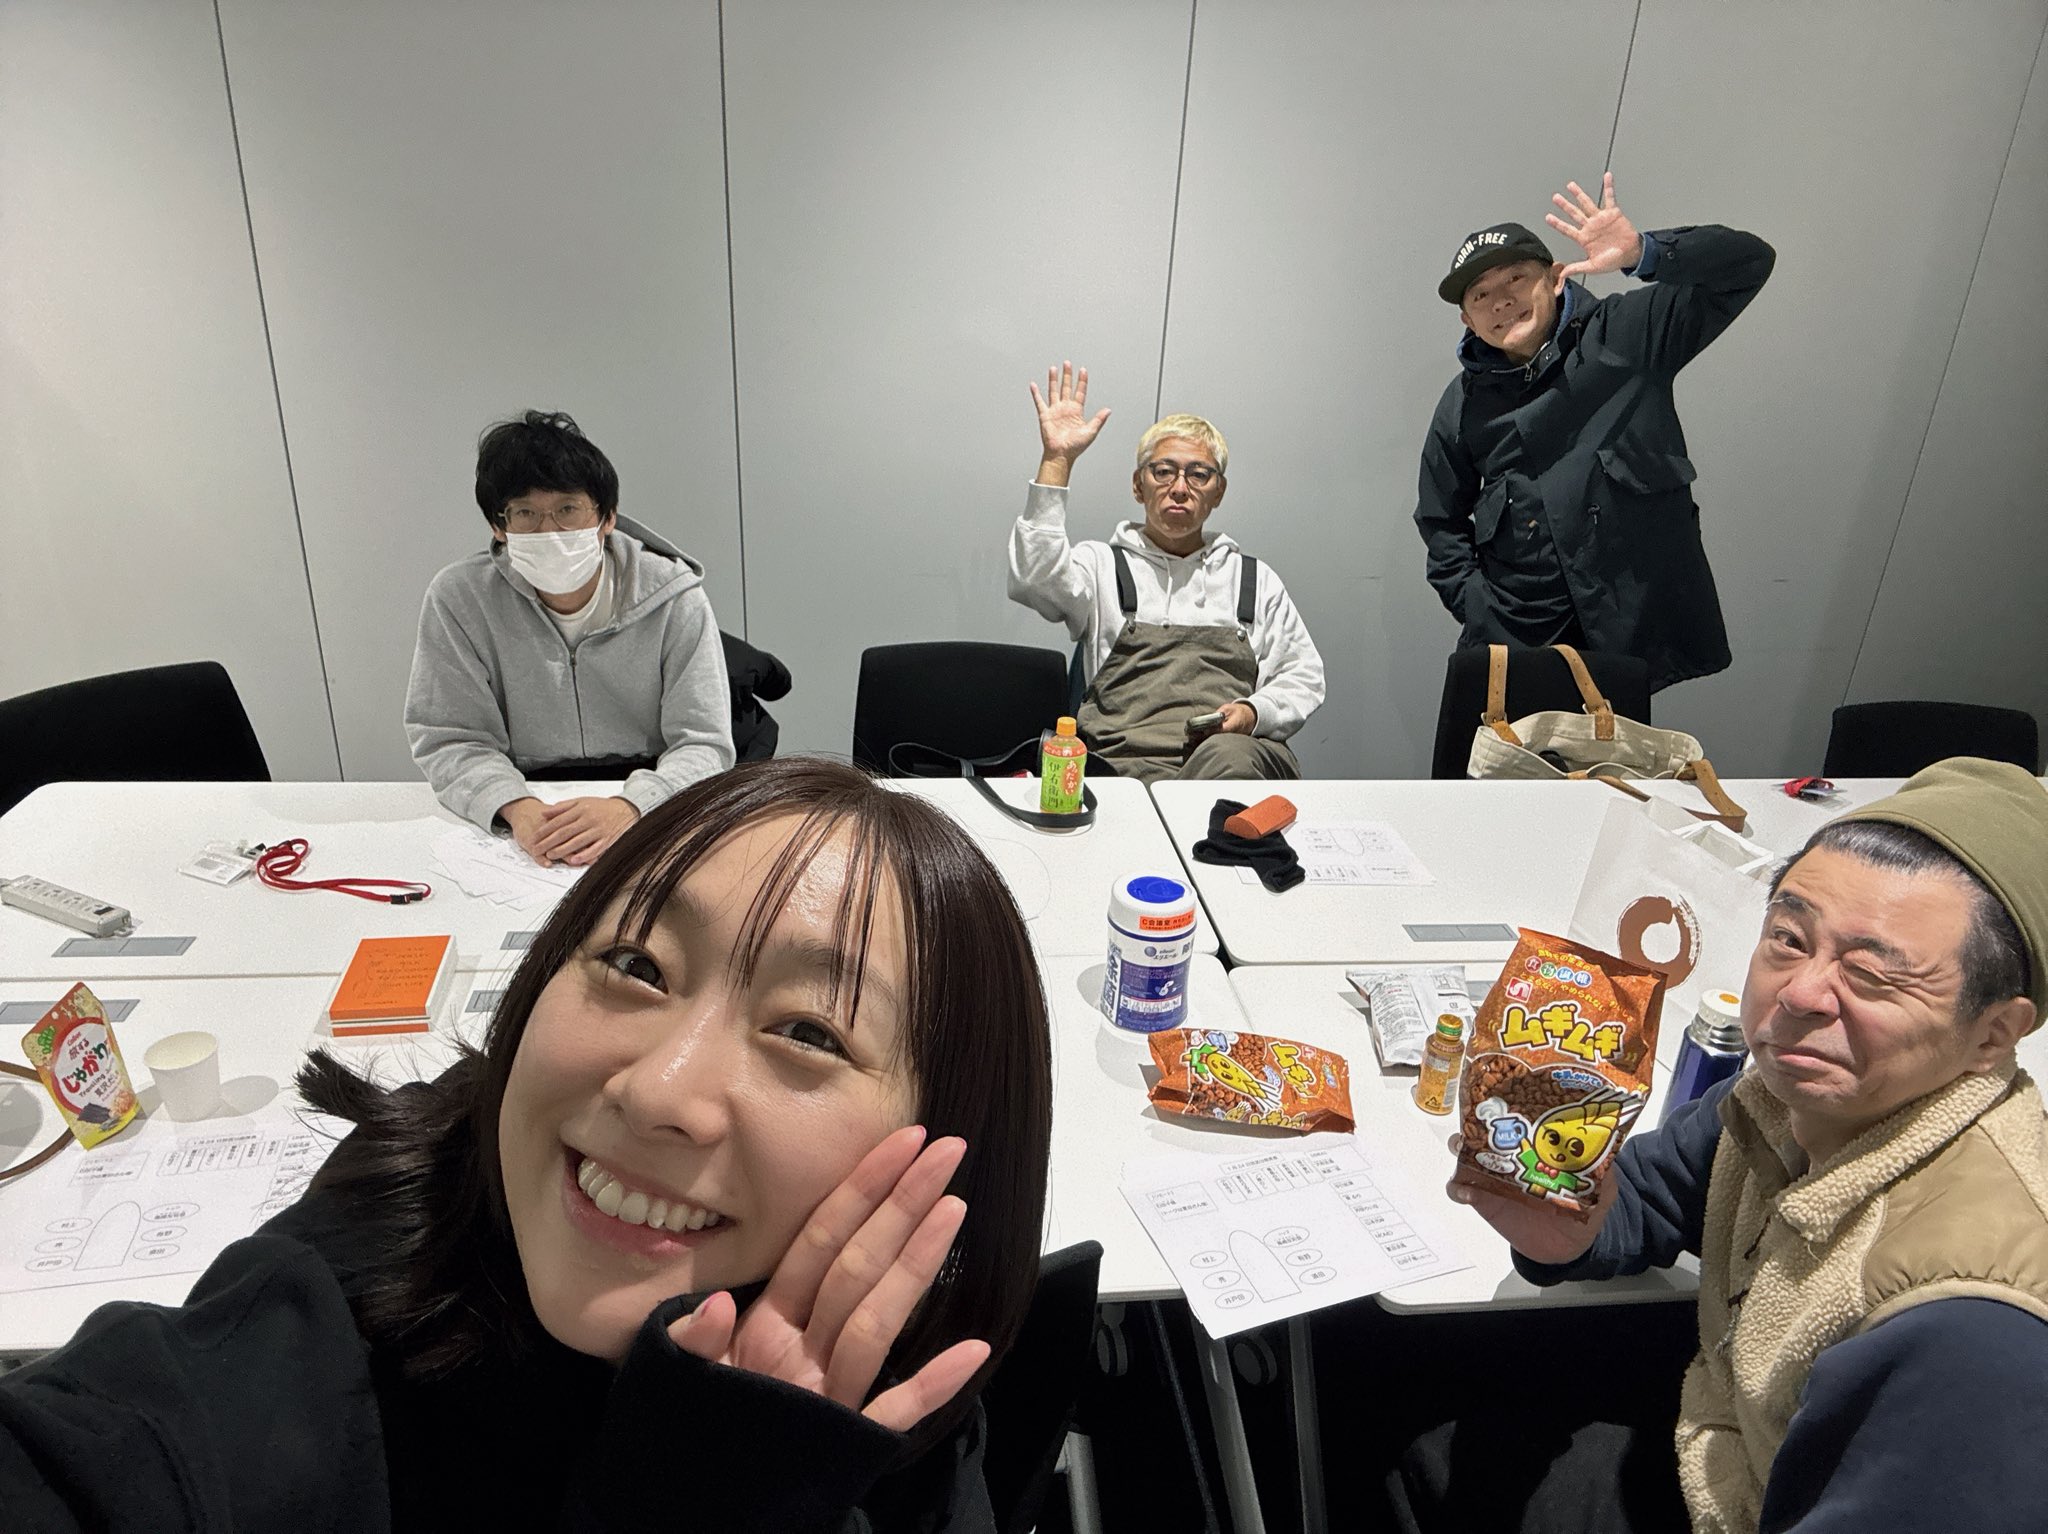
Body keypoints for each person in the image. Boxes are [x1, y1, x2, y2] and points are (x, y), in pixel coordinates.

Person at [0, 758, 1065, 1531]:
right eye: (638, 966)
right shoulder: (347, 1303)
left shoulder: (892, 1380)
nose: (658, 1090)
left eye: (808, 1032)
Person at [1397, 758, 2048, 1533]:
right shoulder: (1780, 1098)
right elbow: (1658, 1193)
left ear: (1994, 1034)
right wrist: (1570, 1234)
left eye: (1872, 975)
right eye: (1789, 939)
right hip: (1715, 1435)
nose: (1800, 993)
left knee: (1415, 1449)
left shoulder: (1970, 1326)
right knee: (1424, 1373)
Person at [1414, 175, 1775, 692]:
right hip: (1515, 640)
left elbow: (1749, 264)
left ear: (1556, 278)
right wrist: (1478, 606)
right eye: (1481, 294)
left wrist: (1645, 253)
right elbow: (1439, 519)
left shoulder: (1627, 334)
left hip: (1629, 630)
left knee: (1617, 745)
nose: (1501, 301)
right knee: (1498, 746)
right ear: (1468, 320)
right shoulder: (1462, 403)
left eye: (1516, 278)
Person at [405, 410, 735, 868]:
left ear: (607, 517)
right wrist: (517, 809)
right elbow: (449, 737)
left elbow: (704, 743)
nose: (549, 531)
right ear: (498, 527)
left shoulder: (674, 597)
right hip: (526, 795)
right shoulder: (460, 599)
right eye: (525, 513)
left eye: (567, 509)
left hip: (648, 795)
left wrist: (633, 807)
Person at [1007, 362, 1325, 782]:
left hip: (1233, 764)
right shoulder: (1101, 566)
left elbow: (1303, 675)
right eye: (1163, 471)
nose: (1179, 488)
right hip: (1123, 768)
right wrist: (1057, 460)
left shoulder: (1254, 581)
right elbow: (1033, 580)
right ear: (1138, 485)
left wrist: (1254, 712)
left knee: (1227, 757)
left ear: (1218, 492)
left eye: (1199, 475)